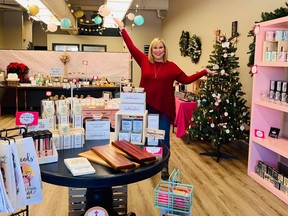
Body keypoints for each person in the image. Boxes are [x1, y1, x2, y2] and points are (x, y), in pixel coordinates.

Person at [114, 18, 214, 180]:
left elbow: (187, 79)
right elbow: (131, 47)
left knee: (163, 136)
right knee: (145, 135)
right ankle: (146, 161)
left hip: (163, 107)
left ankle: (164, 165)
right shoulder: (144, 61)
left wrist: (204, 72)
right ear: (151, 50)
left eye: (160, 47)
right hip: (144, 106)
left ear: (164, 49)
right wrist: (122, 29)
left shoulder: (172, 66)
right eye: (155, 48)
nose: (158, 50)